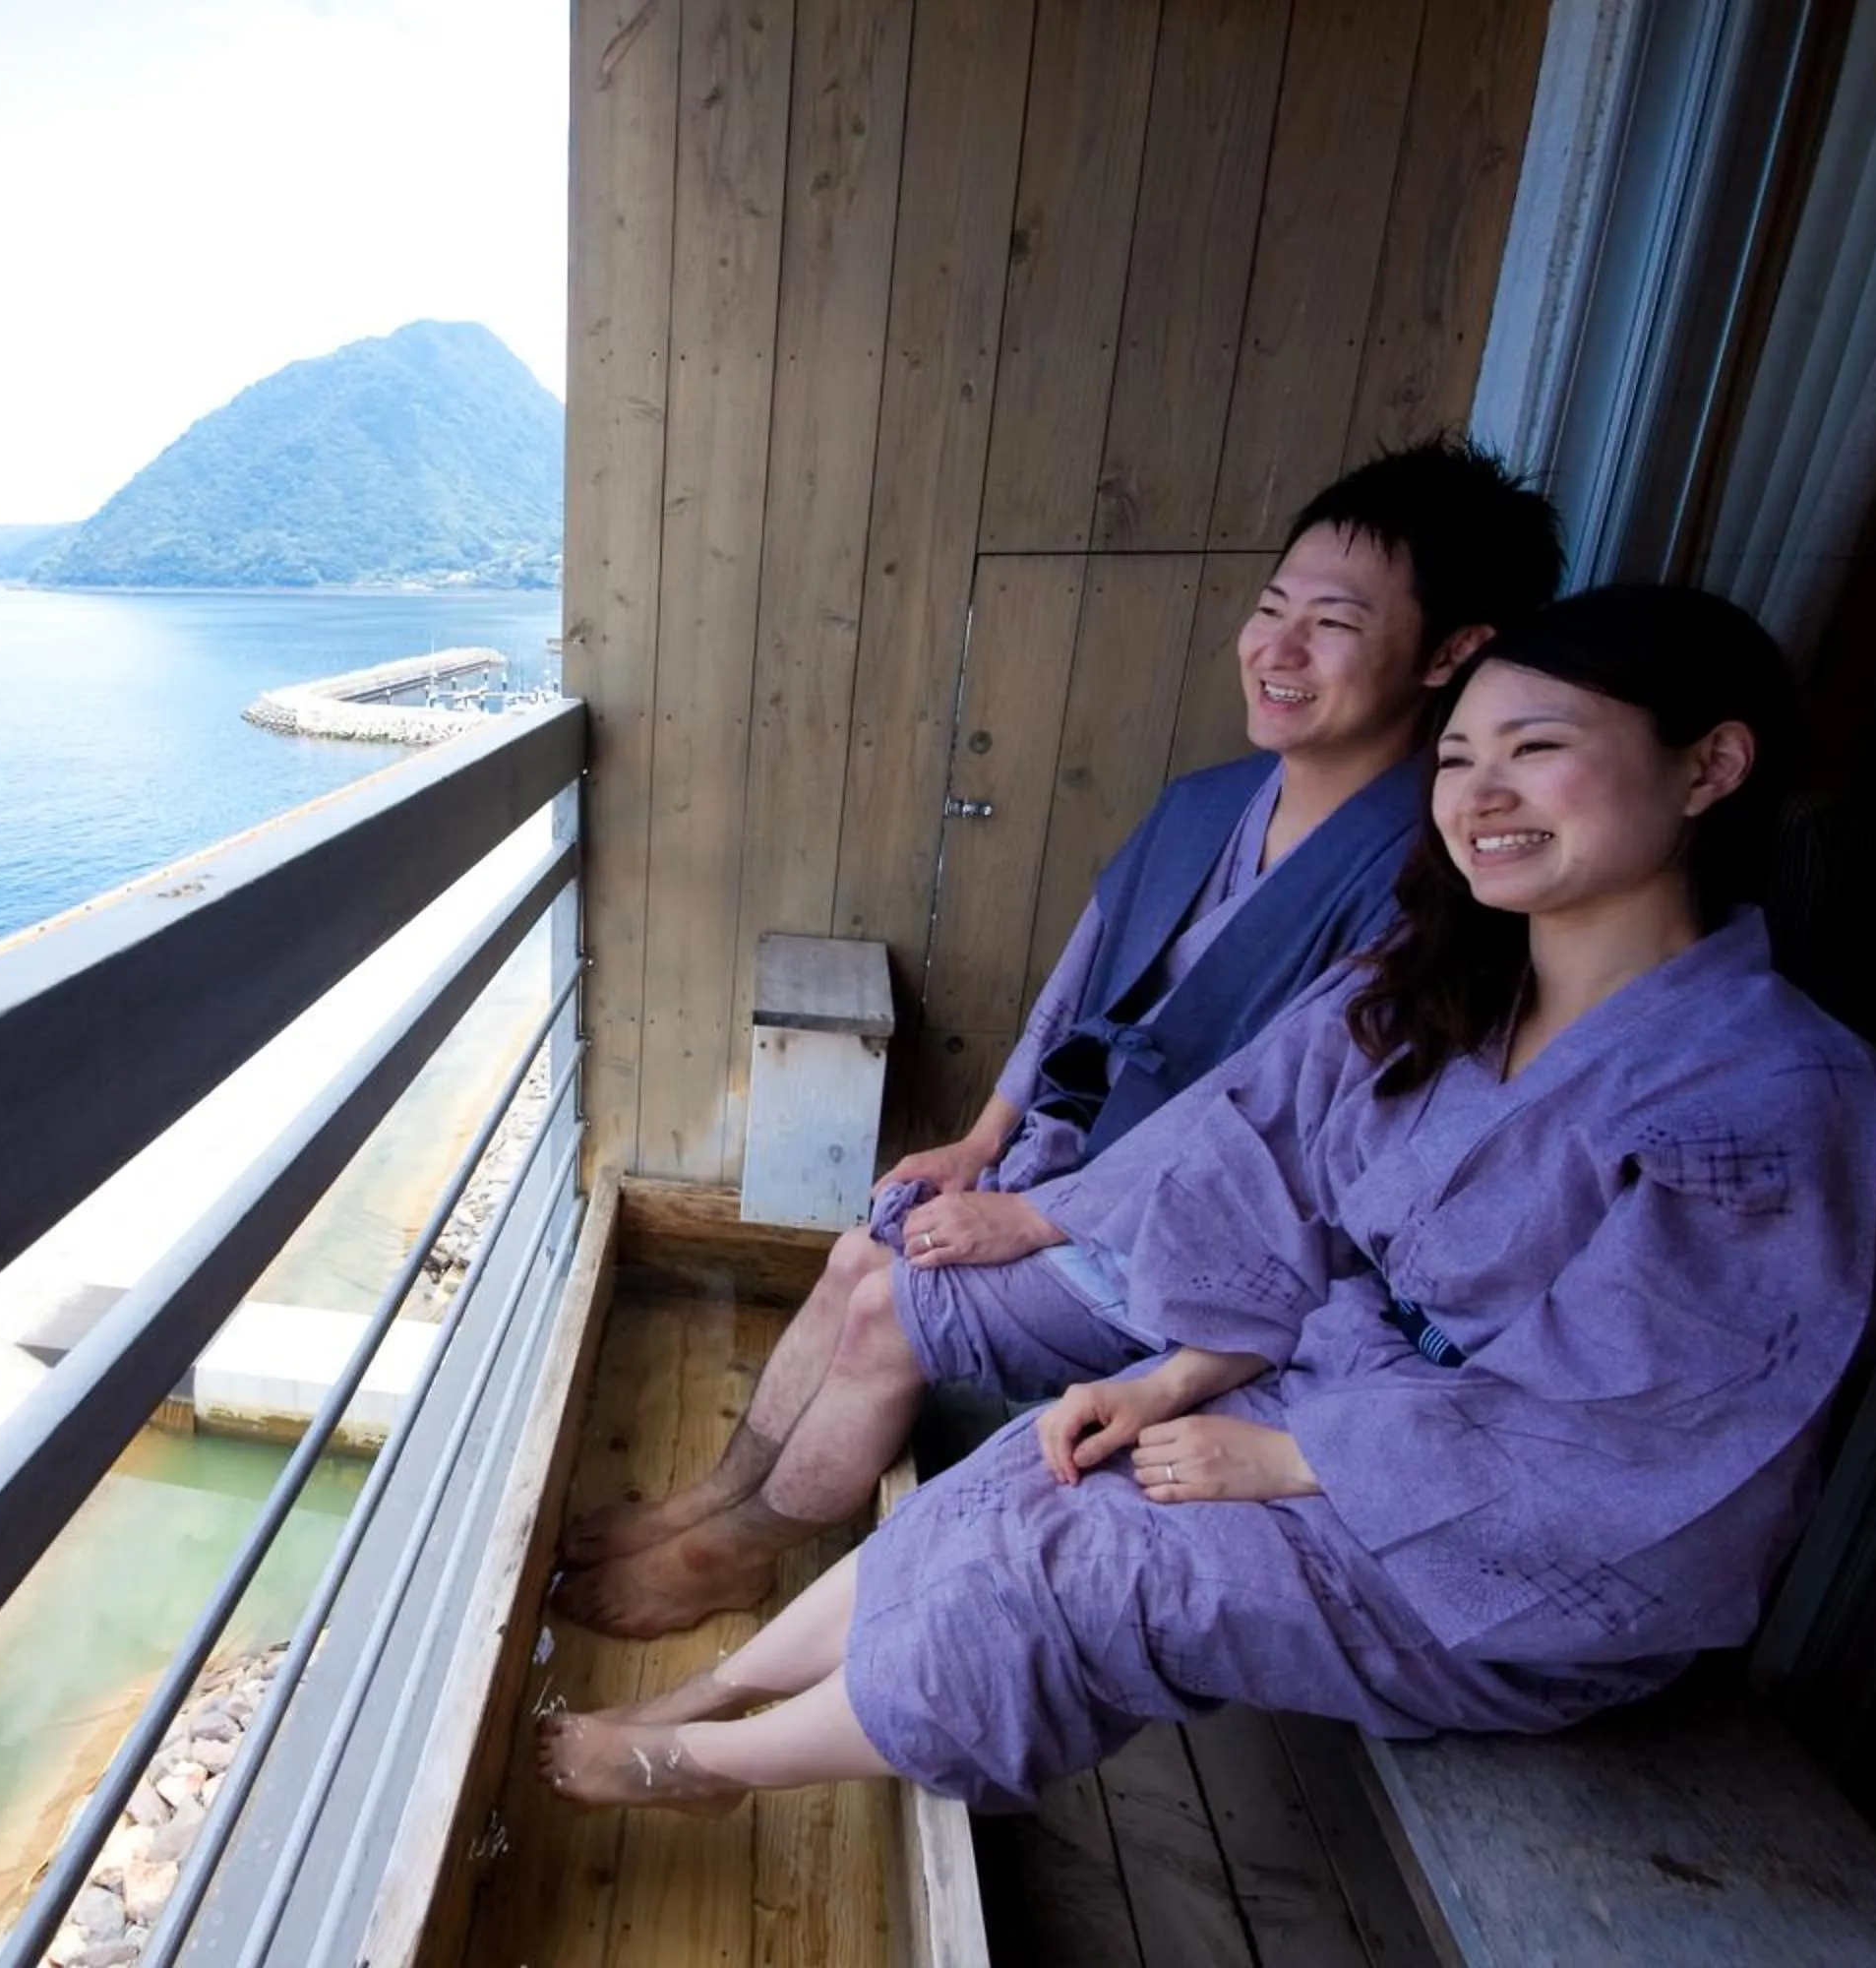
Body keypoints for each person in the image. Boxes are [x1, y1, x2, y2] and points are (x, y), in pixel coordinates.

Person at [537, 584, 1876, 1815]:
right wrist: (1167, 1380)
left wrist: (1294, 1453)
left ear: (1710, 767)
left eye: (1538, 748)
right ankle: (715, 1690)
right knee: (1030, 1469)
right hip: (1333, 1399)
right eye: (1459, 757)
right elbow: (1258, 1173)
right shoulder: (1439, 990)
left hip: (1518, 1562)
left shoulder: (1777, 1106)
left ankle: (701, 1768)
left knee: (1088, 1562)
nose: (1481, 793)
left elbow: (1638, 1428)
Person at [557, 437, 1565, 1637]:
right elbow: (1075, 987)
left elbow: (1268, 1119)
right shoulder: (1209, 804)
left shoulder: (1427, 886)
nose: (1279, 648)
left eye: (1334, 623)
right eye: (1271, 608)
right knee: (859, 1250)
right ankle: (715, 1493)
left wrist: (1038, 1216)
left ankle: (738, 1549)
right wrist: (984, 1140)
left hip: (1229, 1253)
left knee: (891, 1305)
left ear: (1451, 652)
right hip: (1086, 1166)